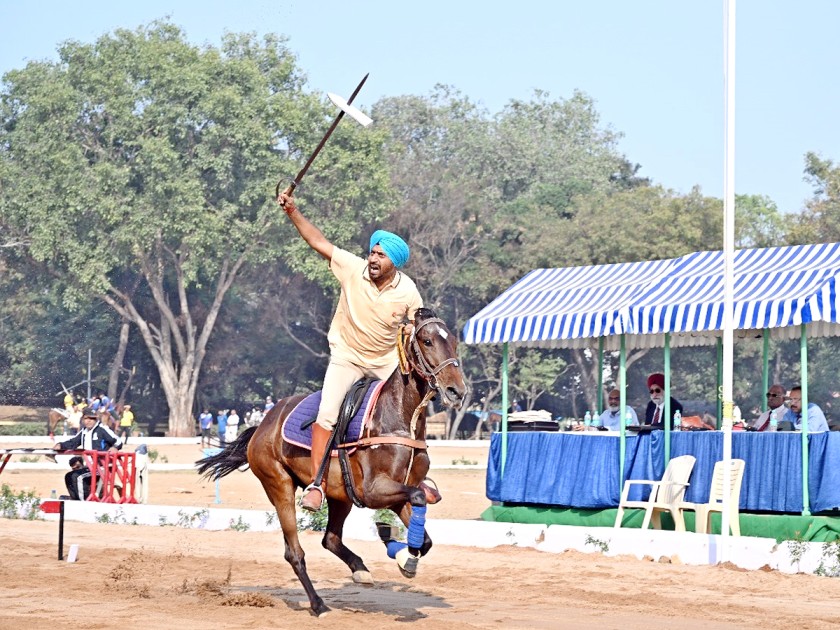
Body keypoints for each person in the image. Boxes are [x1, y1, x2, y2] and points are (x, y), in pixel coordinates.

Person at [278, 189, 423, 512]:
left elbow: (415, 328)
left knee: (411, 411)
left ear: (394, 264)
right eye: (372, 253)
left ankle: (419, 475)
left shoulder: (409, 291)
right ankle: (316, 484)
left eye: (380, 256)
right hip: (348, 358)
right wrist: (293, 212)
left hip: (386, 362)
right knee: (328, 413)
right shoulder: (352, 268)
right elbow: (319, 242)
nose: (372, 259)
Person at [54, 406, 123, 453]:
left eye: (92, 418)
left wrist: (115, 447)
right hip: (89, 465)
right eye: (86, 418)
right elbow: (73, 442)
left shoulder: (102, 429)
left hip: (101, 466)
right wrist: (61, 445)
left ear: (96, 419)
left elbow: (118, 441)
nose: (89, 421)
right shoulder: (84, 431)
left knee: (75, 475)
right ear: (83, 419)